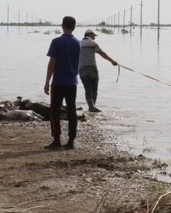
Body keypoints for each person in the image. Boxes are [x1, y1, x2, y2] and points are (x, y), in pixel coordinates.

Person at [43, 16, 80, 150]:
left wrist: (47, 82)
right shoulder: (78, 43)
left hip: (58, 82)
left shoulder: (56, 42)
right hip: (72, 83)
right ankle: (71, 141)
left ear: (62, 26)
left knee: (54, 111)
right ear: (74, 27)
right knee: (71, 111)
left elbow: (52, 63)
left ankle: (57, 139)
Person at [78, 29, 118, 112]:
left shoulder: (78, 43)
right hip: (92, 68)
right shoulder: (93, 43)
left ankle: (91, 107)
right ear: (89, 35)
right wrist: (112, 61)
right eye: (93, 36)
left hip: (82, 69)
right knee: (94, 90)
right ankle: (92, 107)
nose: (94, 38)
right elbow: (102, 53)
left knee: (87, 89)